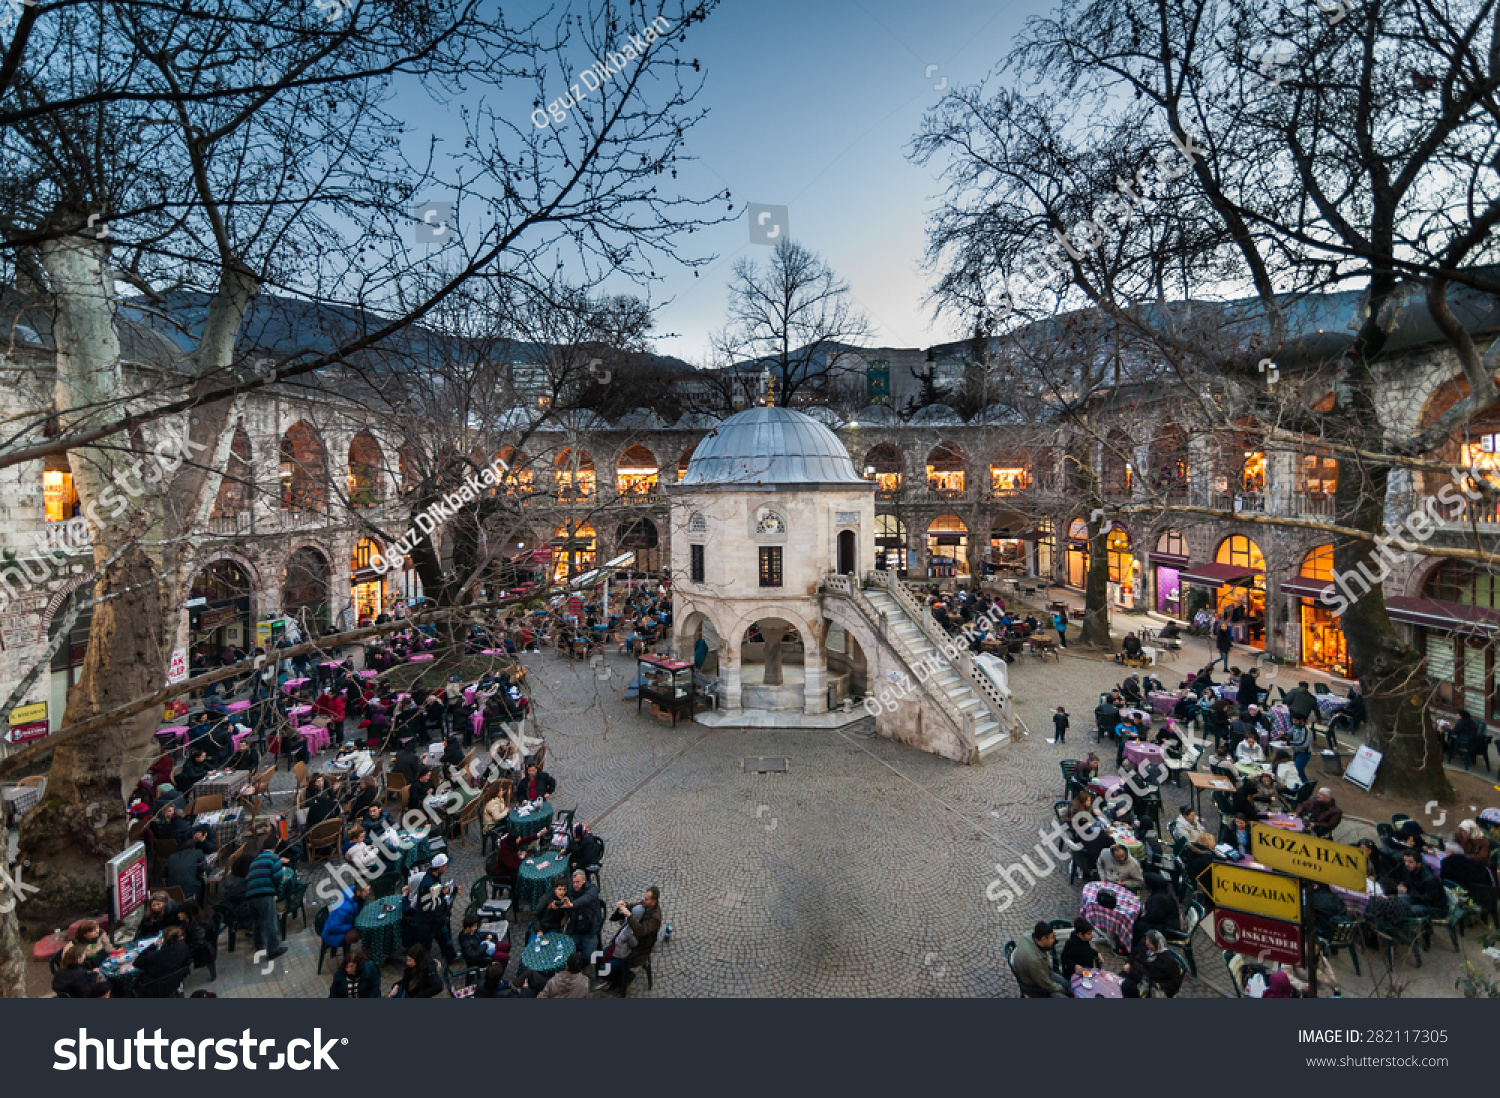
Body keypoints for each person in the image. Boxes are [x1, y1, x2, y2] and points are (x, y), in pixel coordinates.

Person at [605, 886, 663, 995]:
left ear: (654, 901)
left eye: (646, 899)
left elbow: (641, 930)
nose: (643, 900)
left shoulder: (655, 918)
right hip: (627, 942)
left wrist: (630, 916)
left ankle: (624, 978)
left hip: (637, 949)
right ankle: (616, 976)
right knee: (604, 956)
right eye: (644, 898)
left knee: (607, 968)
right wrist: (625, 905)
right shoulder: (646, 904)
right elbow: (634, 906)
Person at [410, 853, 459, 964]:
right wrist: (442, 896)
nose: (447, 867)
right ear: (440, 867)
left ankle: (451, 957)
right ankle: (422, 967)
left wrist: (452, 890)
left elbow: (439, 891)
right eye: (446, 865)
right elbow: (427, 906)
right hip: (426, 923)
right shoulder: (427, 884)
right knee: (425, 948)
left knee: (444, 937)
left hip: (435, 920)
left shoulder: (434, 877)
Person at [245, 837, 288, 961]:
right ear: (275, 846)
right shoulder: (274, 858)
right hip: (265, 894)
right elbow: (277, 877)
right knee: (270, 922)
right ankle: (273, 949)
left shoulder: (255, 860)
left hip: (251, 896)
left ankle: (259, 945)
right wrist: (276, 890)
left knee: (257, 922)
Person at [1383, 850, 1448, 919]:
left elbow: (1429, 899)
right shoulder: (1410, 870)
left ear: (1419, 864)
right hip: (1416, 898)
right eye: (1405, 861)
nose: (1407, 864)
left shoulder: (1430, 879)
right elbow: (1409, 883)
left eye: (1410, 862)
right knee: (1393, 900)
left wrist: (1407, 892)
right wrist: (1402, 885)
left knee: (1404, 910)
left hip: (1433, 907)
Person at [1012, 921, 1069, 997]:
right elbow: (1047, 985)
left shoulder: (1028, 935)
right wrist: (1064, 990)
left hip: (1040, 973)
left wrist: (1053, 938)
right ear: (1043, 938)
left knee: (1065, 983)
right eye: (1052, 937)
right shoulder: (1035, 961)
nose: (1054, 939)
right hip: (1036, 986)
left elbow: (1048, 945)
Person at [1121, 929, 1183, 998]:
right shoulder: (1145, 945)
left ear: (1156, 945)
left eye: (1149, 942)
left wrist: (1161, 985)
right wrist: (1129, 963)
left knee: (1127, 987)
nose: (1147, 943)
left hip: (1148, 983)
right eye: (1147, 939)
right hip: (1136, 973)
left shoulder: (1167, 960)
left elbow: (1176, 980)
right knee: (1119, 979)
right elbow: (1134, 952)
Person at [134, 926, 192, 990]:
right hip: (174, 981)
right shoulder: (184, 947)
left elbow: (136, 963)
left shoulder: (155, 955)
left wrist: (152, 946)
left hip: (155, 985)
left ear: (165, 940)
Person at [321, 883, 368, 960]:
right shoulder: (345, 907)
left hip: (340, 926)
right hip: (332, 934)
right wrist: (349, 927)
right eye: (365, 892)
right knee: (360, 932)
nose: (368, 893)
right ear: (358, 892)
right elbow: (332, 927)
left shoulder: (354, 897)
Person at [565, 869, 602, 960]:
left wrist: (573, 904)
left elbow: (586, 898)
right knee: (566, 951)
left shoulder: (592, 888)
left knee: (588, 957)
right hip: (575, 927)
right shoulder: (570, 891)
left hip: (590, 928)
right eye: (573, 882)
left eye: (577, 882)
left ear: (584, 880)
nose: (575, 885)